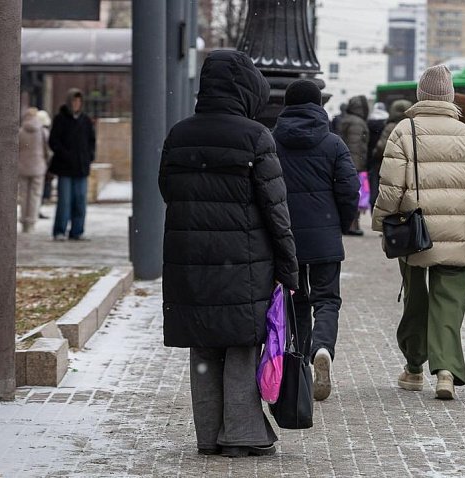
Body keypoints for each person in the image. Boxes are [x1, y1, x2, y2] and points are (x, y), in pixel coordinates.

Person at [158, 50, 299, 458]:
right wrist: (289, 268)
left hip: (189, 260)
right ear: (247, 90)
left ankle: (208, 435)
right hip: (244, 261)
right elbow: (276, 210)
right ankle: (241, 433)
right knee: (241, 343)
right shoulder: (255, 136)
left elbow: (168, 190)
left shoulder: (179, 134)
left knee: (204, 344)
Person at [372, 65, 465, 400]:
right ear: (449, 97)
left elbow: (391, 187)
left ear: (420, 95)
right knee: (449, 301)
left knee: (416, 299)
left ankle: (413, 367)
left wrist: (382, 223)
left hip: (414, 232)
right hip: (457, 232)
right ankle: (446, 371)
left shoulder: (403, 131)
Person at [271, 79, 360, 402]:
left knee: (295, 300)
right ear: (319, 105)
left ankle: (302, 363)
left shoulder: (271, 141)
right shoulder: (333, 143)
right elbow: (350, 189)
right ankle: (322, 348)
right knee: (327, 299)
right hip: (324, 235)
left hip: (286, 236)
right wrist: (341, 221)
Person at [48, 88, 96, 241]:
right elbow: (53, 141)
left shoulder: (85, 120)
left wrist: (89, 156)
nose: (76, 104)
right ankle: (59, 230)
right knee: (65, 202)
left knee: (80, 201)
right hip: (65, 168)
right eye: (74, 101)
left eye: (79, 101)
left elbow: (91, 141)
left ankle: (77, 231)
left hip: (81, 167)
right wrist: (65, 154)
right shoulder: (60, 119)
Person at [370, 99, 412, 210]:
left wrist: (375, 154)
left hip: (391, 167)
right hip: (410, 167)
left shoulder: (390, 127)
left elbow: (381, 147)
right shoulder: (413, 126)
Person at [338, 95, 370, 235]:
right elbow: (355, 146)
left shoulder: (347, 119)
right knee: (356, 194)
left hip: (346, 163)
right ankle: (353, 225)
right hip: (354, 165)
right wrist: (358, 166)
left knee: (349, 194)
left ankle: (352, 224)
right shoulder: (357, 122)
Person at [17, 108, 50, 233]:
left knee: (23, 195)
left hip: (22, 167)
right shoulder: (43, 131)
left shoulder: (20, 132)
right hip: (38, 167)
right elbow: (47, 150)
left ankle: (24, 222)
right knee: (35, 196)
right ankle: (31, 222)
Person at [37, 110, 53, 219]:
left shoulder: (25, 130)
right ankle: (37, 210)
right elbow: (48, 151)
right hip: (42, 166)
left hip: (27, 167)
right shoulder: (45, 133)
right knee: (39, 190)